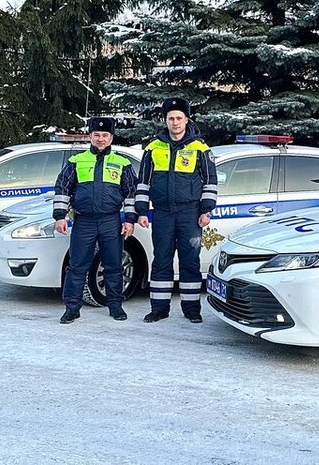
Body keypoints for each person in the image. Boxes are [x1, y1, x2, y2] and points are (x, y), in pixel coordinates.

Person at [134, 98, 217, 324]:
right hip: (162, 213)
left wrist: (206, 210)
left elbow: (210, 182)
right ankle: (159, 309)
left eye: (179, 118)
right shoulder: (153, 148)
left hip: (190, 213)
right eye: (171, 118)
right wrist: (142, 211)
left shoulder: (199, 148)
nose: (175, 122)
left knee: (190, 261)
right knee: (161, 259)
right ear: (166, 120)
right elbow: (143, 183)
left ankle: (191, 310)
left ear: (186, 119)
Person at [53, 117, 138, 323]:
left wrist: (129, 220)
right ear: (90, 136)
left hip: (111, 221)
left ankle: (115, 305)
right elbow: (62, 188)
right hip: (84, 221)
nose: (101, 139)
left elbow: (131, 193)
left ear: (111, 138)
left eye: (105, 135)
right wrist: (60, 216)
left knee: (113, 264)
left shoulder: (122, 163)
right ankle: (72, 307)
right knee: (77, 266)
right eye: (97, 135)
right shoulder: (76, 161)